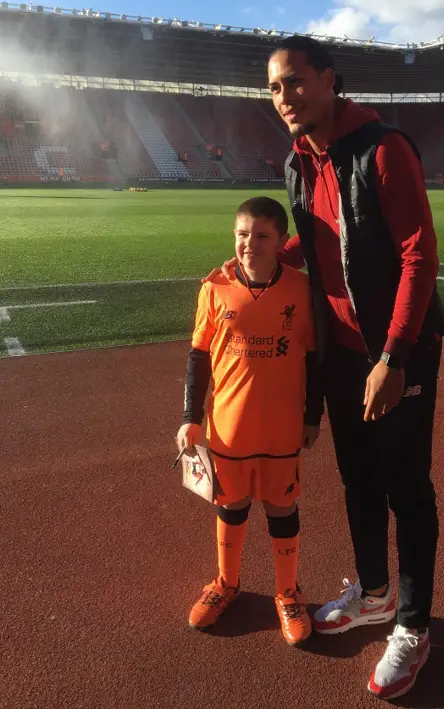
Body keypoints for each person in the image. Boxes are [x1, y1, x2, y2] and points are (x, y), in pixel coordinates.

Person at [208, 37, 444, 699]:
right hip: (343, 352)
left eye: (295, 82)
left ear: (329, 80)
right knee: (358, 479)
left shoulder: (382, 149)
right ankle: (373, 593)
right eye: (275, 88)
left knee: (406, 485)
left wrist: (393, 357)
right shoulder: (299, 162)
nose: (284, 97)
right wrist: (258, 262)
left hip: (400, 348)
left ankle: (415, 623)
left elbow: (418, 256)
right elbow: (313, 247)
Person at [177, 196, 323, 645]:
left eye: (261, 236)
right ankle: (226, 584)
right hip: (227, 427)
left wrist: (312, 416)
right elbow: (198, 357)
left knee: (281, 509)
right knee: (231, 505)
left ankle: (287, 592)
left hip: (280, 427)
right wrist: (188, 417)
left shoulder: (301, 290)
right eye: (242, 234)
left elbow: (315, 360)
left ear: (281, 242)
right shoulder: (214, 287)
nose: (249, 245)